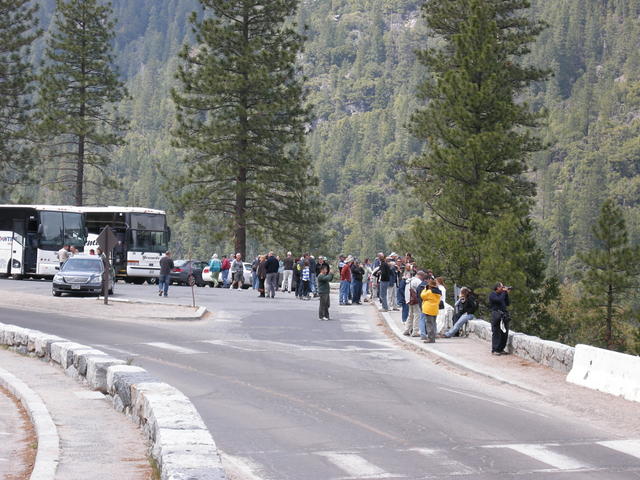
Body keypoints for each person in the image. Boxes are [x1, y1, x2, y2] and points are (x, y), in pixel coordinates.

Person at [489, 282, 511, 355]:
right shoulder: (492, 294)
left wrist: (506, 294)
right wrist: (504, 292)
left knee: (504, 333)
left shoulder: (503, 294)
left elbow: (507, 303)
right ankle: (495, 349)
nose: (503, 288)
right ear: (497, 288)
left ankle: (501, 348)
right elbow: (499, 300)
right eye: (502, 287)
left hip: (504, 315)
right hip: (496, 314)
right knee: (496, 332)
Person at [420, 279, 442, 343]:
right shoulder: (439, 292)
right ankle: (433, 337)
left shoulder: (429, 292)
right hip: (435, 309)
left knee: (429, 324)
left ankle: (430, 338)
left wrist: (425, 289)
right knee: (433, 323)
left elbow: (422, 296)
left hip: (428, 309)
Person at [404, 270, 425, 337]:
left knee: (410, 315)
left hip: (409, 299)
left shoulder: (409, 280)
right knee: (417, 315)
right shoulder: (418, 281)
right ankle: (415, 331)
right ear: (420, 276)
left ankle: (407, 330)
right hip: (415, 300)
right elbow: (421, 291)